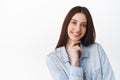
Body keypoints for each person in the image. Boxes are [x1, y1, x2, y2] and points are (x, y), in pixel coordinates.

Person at [46, 6, 115, 80]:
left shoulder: (96, 49)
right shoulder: (53, 59)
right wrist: (75, 62)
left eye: (83, 25)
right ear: (67, 23)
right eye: (74, 22)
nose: (78, 29)